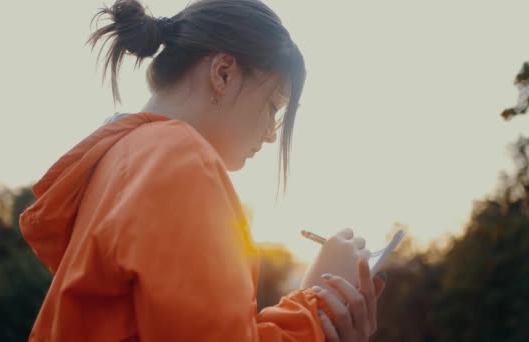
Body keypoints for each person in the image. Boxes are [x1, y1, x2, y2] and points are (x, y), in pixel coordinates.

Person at [19, 0, 385, 341]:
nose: (273, 134)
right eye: (274, 105)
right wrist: (318, 303)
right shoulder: (179, 159)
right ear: (224, 73)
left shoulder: (117, 160)